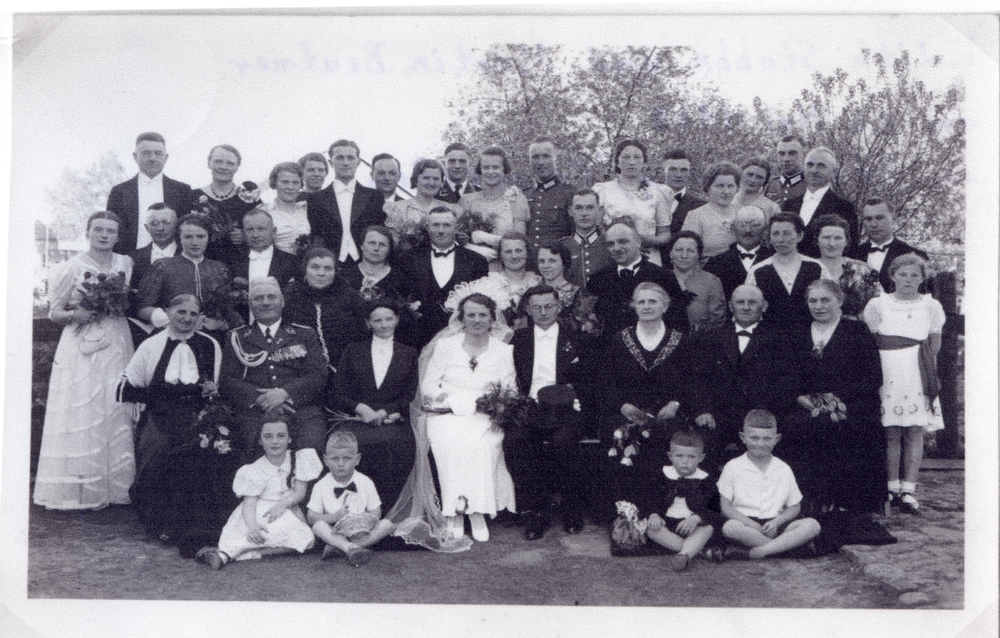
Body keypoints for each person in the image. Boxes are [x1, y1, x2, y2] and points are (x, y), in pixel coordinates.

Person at [33, 211, 136, 510]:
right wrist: (74, 315)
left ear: (118, 235)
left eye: (110, 231)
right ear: (88, 232)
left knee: (114, 404)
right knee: (83, 407)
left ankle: (115, 488)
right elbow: (55, 311)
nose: (104, 235)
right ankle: (80, 490)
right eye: (98, 230)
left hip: (116, 338)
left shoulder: (124, 264)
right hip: (81, 342)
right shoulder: (70, 267)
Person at [117, 294, 234, 550]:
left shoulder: (210, 344)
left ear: (200, 318)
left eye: (193, 314)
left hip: (199, 415)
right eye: (181, 312)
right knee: (157, 449)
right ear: (168, 313)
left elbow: (217, 387)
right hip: (160, 413)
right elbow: (125, 390)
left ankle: (198, 523)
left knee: (208, 450)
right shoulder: (151, 344)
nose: (187, 318)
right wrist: (166, 395)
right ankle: (160, 522)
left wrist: (211, 392)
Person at [781, 279, 885, 514]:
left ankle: (844, 501)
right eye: (813, 301)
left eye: (825, 300)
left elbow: (872, 376)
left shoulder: (857, 331)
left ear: (839, 301)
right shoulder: (796, 332)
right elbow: (786, 373)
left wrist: (836, 399)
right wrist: (799, 397)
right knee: (795, 425)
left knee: (847, 428)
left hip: (850, 402)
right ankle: (806, 499)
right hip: (806, 403)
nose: (819, 306)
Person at [420, 293, 517, 542]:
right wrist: (452, 401)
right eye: (471, 314)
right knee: (450, 446)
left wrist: (491, 404)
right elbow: (429, 385)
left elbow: (509, 390)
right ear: (461, 318)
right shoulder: (445, 346)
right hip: (447, 411)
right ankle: (454, 513)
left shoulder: (504, 351)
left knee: (482, 444)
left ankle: (477, 512)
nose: (476, 320)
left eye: (482, 315)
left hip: (485, 413)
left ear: (493, 318)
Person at [863, 254, 945, 514]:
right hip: (888, 371)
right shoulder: (878, 305)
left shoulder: (931, 306)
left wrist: (926, 372)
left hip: (917, 371)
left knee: (914, 431)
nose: (908, 279)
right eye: (903, 274)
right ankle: (891, 486)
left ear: (922, 278)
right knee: (891, 431)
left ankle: (908, 489)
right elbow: (871, 343)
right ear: (892, 276)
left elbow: (934, 344)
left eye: (914, 275)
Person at [506, 285, 587, 539]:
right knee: (516, 441)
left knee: (563, 442)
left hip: (567, 406)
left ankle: (571, 506)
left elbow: (589, 379)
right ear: (528, 310)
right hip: (530, 405)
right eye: (536, 307)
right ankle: (536, 510)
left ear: (559, 306)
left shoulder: (578, 337)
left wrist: (576, 396)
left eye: (549, 306)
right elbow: (510, 377)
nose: (543, 312)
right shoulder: (517, 340)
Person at [690, 284, 798, 469]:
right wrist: (702, 410)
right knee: (702, 447)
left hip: (761, 414)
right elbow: (698, 378)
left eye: (752, 302)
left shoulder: (780, 339)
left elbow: (787, 381)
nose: (746, 307)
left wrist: (767, 415)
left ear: (763, 306)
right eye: (740, 302)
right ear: (731, 306)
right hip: (718, 415)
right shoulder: (712, 337)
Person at [219, 277, 329, 458]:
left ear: (282, 301)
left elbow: (318, 375)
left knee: (310, 450)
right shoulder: (236, 337)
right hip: (255, 413)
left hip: (301, 410)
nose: (265, 303)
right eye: (258, 298)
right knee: (254, 449)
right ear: (250, 304)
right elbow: (228, 381)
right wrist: (264, 399)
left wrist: (284, 393)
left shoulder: (304, 334)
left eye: (271, 297)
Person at [196, 416, 324, 569]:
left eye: (281, 436)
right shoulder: (253, 470)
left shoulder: (299, 458)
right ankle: (225, 554)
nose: (274, 441)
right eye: (268, 436)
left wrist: (283, 504)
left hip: (286, 509)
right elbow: (249, 503)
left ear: (289, 438)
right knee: (257, 534)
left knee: (307, 539)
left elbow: (299, 492)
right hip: (259, 512)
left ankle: (252, 553)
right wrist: (252, 526)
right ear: (260, 441)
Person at [331, 300, 419, 508]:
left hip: (391, 420)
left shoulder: (408, 353)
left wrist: (385, 411)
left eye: (389, 319)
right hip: (356, 418)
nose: (384, 324)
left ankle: (385, 508)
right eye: (377, 320)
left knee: (396, 446)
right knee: (354, 446)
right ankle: (350, 507)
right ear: (368, 323)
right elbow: (338, 391)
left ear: (396, 320)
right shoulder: (353, 350)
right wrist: (360, 408)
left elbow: (408, 394)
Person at [718, 410, 821, 560]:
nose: (760, 444)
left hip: (775, 524)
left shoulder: (783, 468)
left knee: (812, 525)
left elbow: (794, 506)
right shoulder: (733, 466)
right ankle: (785, 549)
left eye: (767, 439)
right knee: (730, 528)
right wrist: (753, 525)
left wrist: (776, 522)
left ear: (776, 439)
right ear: (743, 437)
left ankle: (761, 551)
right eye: (754, 438)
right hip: (746, 524)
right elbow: (726, 507)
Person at [636, 430, 725, 571]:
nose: (685, 461)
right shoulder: (662, 475)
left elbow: (714, 507)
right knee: (651, 530)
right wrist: (654, 515)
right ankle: (700, 551)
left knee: (707, 529)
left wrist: (696, 518)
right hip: (667, 523)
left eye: (691, 457)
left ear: (701, 458)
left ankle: (684, 554)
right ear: (670, 456)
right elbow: (650, 499)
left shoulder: (706, 479)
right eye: (679, 456)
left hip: (692, 525)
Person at [136, 213, 238, 335]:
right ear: (179, 238)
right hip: (172, 334)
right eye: (188, 237)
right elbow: (143, 308)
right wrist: (177, 321)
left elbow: (230, 311)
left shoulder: (219, 268)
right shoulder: (164, 266)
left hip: (213, 336)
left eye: (200, 236)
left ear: (208, 238)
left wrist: (220, 323)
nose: (195, 242)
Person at [401, 206, 489, 346]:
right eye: (436, 225)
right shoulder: (408, 259)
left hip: (460, 336)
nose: (441, 231)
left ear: (456, 227)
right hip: (418, 335)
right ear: (427, 227)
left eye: (447, 225)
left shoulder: (476, 261)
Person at [307, 430, 397, 567]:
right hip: (334, 533)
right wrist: (335, 517)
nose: (341, 464)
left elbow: (376, 511)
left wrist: (366, 521)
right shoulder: (320, 485)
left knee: (387, 525)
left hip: (362, 532)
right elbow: (311, 517)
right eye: (335, 459)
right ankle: (349, 547)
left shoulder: (365, 481)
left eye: (347, 458)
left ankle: (342, 548)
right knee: (318, 527)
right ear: (326, 460)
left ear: (357, 459)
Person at [586, 220, 687, 337]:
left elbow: (679, 325)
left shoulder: (663, 277)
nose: (616, 248)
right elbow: (590, 325)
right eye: (611, 244)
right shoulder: (597, 279)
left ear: (638, 242)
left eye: (623, 242)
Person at [281, 247, 368, 381]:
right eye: (315, 267)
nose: (321, 273)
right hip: (302, 374)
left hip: (345, 372)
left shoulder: (349, 296)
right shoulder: (290, 296)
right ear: (305, 270)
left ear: (335, 272)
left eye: (328, 268)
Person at [444, 233, 541, 341]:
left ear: (527, 253)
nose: (514, 256)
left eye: (519, 251)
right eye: (508, 251)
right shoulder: (488, 283)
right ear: (500, 255)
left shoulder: (538, 281)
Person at [107, 132, 192, 254]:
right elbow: (111, 230)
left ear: (166, 157)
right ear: (135, 157)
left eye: (158, 153)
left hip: (174, 263)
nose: (152, 158)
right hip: (129, 262)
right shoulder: (119, 192)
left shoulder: (183, 191)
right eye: (146, 153)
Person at [306, 139, 386, 266]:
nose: (346, 163)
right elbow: (316, 236)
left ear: (358, 162)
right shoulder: (316, 199)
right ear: (331, 162)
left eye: (350, 158)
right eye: (340, 158)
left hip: (366, 264)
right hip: (330, 265)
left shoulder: (375, 197)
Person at [593, 139, 671, 265]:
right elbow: (595, 228)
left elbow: (665, 234)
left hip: (648, 257)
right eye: (626, 157)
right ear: (617, 162)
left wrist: (642, 241)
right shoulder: (603, 191)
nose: (632, 162)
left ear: (644, 163)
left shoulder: (657, 191)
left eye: (637, 157)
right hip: (613, 257)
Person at [746, 213, 825, 331]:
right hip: (770, 338)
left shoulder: (817, 267)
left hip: (810, 336)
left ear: (800, 236)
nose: (780, 239)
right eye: (775, 234)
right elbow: (750, 308)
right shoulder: (758, 271)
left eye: (787, 233)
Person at [781, 146, 858, 258]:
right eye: (810, 165)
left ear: (833, 172)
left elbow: (851, 249)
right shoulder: (789, 205)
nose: (814, 170)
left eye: (821, 166)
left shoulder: (844, 207)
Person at [458, 146, 529, 264]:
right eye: (486, 167)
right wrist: (473, 248)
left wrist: (485, 238)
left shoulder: (515, 199)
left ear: (504, 169)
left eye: (496, 167)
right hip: (473, 265)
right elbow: (456, 237)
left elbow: (520, 242)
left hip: (506, 267)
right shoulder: (467, 200)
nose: (490, 172)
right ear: (480, 170)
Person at [191, 144, 261, 264]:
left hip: (240, 264)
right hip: (201, 263)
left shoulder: (250, 198)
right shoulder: (193, 196)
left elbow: (263, 232)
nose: (224, 167)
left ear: (237, 167)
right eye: (218, 161)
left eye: (230, 163)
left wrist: (246, 236)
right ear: (209, 163)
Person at [228, 208, 300, 322]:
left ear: (274, 231)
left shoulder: (292, 262)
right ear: (243, 233)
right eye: (250, 230)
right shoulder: (232, 262)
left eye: (261, 229)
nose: (255, 235)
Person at [383, 159, 460, 253]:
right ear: (415, 180)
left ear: (441, 182)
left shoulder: (451, 209)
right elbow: (392, 245)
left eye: (436, 179)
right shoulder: (398, 208)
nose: (431, 183)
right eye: (426, 178)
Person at [127, 203, 178, 345]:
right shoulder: (132, 258)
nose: (160, 228)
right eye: (154, 223)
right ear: (146, 228)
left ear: (176, 225)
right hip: (141, 333)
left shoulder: (188, 255)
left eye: (166, 223)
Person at [814, 214, 882, 318]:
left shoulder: (864, 270)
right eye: (826, 237)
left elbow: (879, 303)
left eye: (838, 238)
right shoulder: (806, 268)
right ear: (817, 240)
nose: (832, 244)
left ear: (846, 241)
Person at [855, 198, 929, 293]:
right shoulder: (852, 254)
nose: (873, 224)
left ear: (893, 219)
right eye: (868, 219)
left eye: (880, 218)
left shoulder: (915, 255)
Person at [704, 204, 773, 301]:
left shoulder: (775, 260)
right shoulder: (715, 263)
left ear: (765, 229)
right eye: (742, 225)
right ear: (733, 228)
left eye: (755, 225)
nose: (747, 230)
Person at [664, 230, 726, 333]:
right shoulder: (660, 278)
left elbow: (717, 320)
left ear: (698, 255)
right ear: (670, 254)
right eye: (679, 250)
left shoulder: (712, 282)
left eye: (691, 251)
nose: (684, 255)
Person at [680, 162, 742, 260]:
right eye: (720, 186)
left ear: (737, 188)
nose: (726, 191)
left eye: (730, 186)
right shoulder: (696, 216)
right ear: (708, 188)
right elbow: (686, 252)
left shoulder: (743, 213)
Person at [523, 137, 575, 254]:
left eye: (546, 156)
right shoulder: (524, 195)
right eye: (535, 157)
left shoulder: (570, 194)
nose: (541, 162)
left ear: (556, 158)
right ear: (530, 160)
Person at [337, 225, 413, 304]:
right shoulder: (345, 276)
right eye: (372, 243)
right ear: (361, 246)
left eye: (382, 244)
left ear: (389, 249)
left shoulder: (400, 279)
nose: (376, 248)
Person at [558, 188, 612, 288]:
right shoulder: (562, 246)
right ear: (570, 211)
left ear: (600, 211)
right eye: (578, 208)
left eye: (590, 207)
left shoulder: (610, 243)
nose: (584, 213)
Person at [263, 162, 311, 255]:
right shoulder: (265, 212)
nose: (290, 187)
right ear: (275, 183)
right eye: (285, 182)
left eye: (295, 182)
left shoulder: (305, 209)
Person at [661, 149, 707, 237]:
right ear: (663, 170)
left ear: (689, 172)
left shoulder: (701, 206)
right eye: (673, 169)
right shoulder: (648, 200)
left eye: (683, 170)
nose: (678, 175)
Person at [763, 135, 808, 208]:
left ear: (803, 155)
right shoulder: (769, 184)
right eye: (781, 153)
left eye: (792, 153)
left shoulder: (811, 185)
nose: (786, 159)